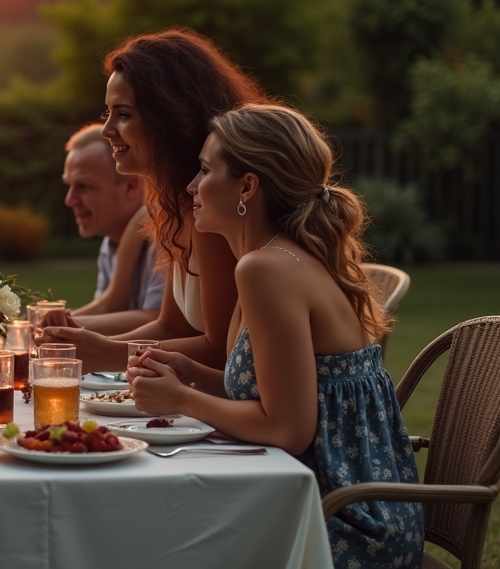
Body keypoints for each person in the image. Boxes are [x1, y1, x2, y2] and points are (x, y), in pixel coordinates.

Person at [127, 104, 423, 567]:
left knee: (158, 529)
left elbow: (288, 429)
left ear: (247, 186)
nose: (190, 187)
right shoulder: (272, 258)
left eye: (204, 170)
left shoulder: (266, 269)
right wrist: (191, 376)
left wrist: (182, 401)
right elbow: (277, 391)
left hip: (344, 518)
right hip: (331, 498)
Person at [42, 29, 267, 370]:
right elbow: (171, 326)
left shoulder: (214, 209)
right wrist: (82, 345)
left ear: (168, 118)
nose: (107, 130)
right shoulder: (173, 204)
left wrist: (107, 353)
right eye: (108, 113)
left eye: (124, 114)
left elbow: (223, 352)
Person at [61, 123, 165, 335]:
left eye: (84, 186)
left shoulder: (162, 235)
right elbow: (107, 309)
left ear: (131, 186)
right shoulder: (110, 243)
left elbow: (160, 318)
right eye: (69, 186)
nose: (69, 200)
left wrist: (55, 328)